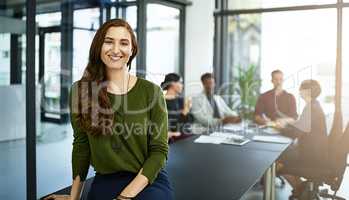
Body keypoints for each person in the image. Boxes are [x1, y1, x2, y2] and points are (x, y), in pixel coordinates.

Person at [45, 19, 173, 200]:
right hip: (106, 181)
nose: (115, 49)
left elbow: (159, 151)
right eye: (109, 41)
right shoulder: (80, 91)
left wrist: (124, 197)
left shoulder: (152, 92)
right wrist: (74, 198)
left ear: (132, 50)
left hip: (147, 180)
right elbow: (81, 147)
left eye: (123, 43)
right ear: (98, 46)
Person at [276, 80, 328, 199]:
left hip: (311, 155)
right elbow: (302, 126)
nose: (299, 91)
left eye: (301, 89)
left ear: (306, 91)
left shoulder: (311, 108)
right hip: (314, 152)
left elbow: (296, 133)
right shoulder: (314, 105)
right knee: (284, 155)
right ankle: (301, 190)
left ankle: (300, 190)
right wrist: (290, 123)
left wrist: (280, 128)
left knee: (278, 161)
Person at [161, 73, 194, 142]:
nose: (182, 85)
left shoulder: (181, 100)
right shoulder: (162, 102)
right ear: (173, 83)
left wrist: (188, 109)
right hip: (174, 139)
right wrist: (184, 112)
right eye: (180, 82)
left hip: (185, 135)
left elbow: (190, 121)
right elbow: (173, 126)